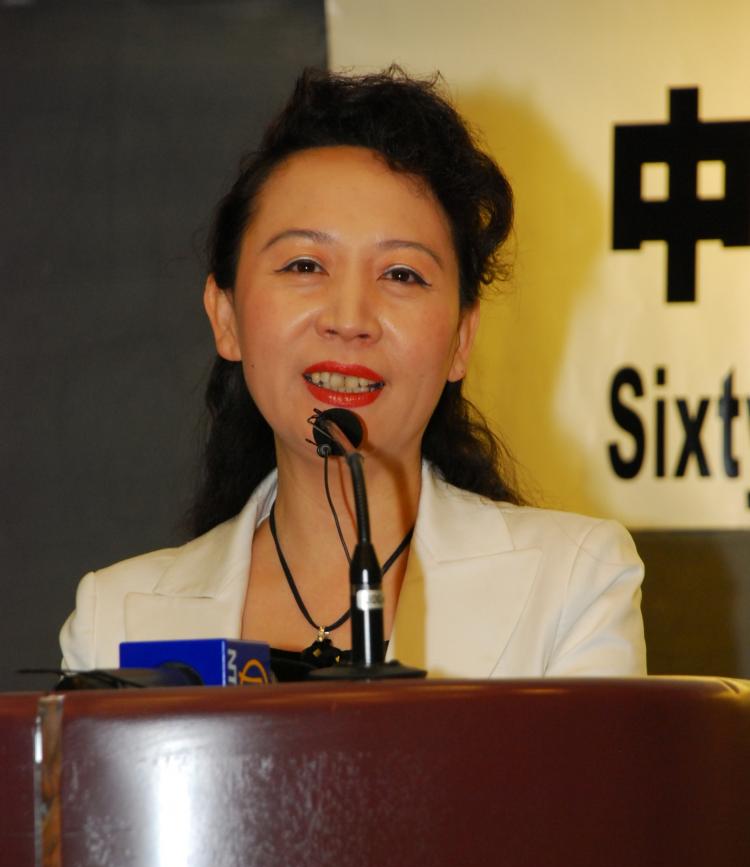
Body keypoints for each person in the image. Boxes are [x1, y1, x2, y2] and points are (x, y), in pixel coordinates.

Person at [60, 67, 646, 679]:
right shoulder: (116, 619)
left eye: (401, 275)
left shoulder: (574, 583)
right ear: (226, 317)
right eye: (306, 265)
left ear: (460, 341)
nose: (349, 319)